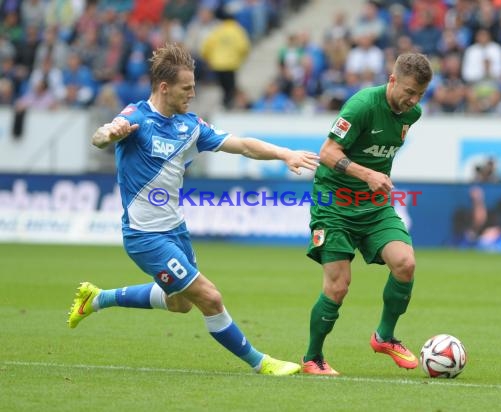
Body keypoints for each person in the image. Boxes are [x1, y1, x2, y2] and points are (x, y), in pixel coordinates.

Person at [67, 43, 319, 376]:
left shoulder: (190, 125)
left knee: (180, 303)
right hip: (145, 236)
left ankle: (97, 299)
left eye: (194, 87)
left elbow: (242, 145)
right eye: (187, 88)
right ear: (164, 87)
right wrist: (108, 133)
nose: (193, 94)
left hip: (175, 230)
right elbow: (101, 137)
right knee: (210, 298)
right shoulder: (137, 117)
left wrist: (284, 154)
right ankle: (262, 363)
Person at [302, 53, 433, 375]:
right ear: (392, 80)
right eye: (408, 91)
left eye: (419, 94)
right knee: (338, 286)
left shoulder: (411, 114)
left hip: (374, 206)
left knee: (405, 263)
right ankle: (312, 358)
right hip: (334, 204)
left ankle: (384, 337)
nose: (413, 100)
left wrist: (373, 181)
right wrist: (368, 175)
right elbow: (327, 152)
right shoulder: (361, 106)